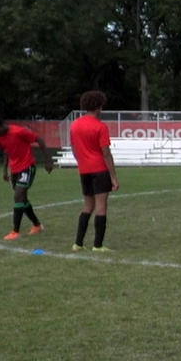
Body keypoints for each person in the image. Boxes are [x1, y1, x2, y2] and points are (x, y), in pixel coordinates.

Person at [0, 117, 54, 240]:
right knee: (22, 199)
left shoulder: (19, 131)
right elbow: (7, 151)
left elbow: (39, 140)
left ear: (1, 125)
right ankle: (37, 225)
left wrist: (48, 160)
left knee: (18, 196)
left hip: (27, 167)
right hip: (15, 170)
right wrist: (5, 170)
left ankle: (15, 231)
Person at [69, 90, 119, 252]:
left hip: (84, 171)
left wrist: (81, 162)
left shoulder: (75, 125)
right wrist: (113, 177)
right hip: (99, 170)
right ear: (98, 107)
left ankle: (78, 243)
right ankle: (97, 245)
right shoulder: (100, 126)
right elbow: (106, 152)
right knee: (101, 207)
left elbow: (74, 148)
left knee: (87, 206)